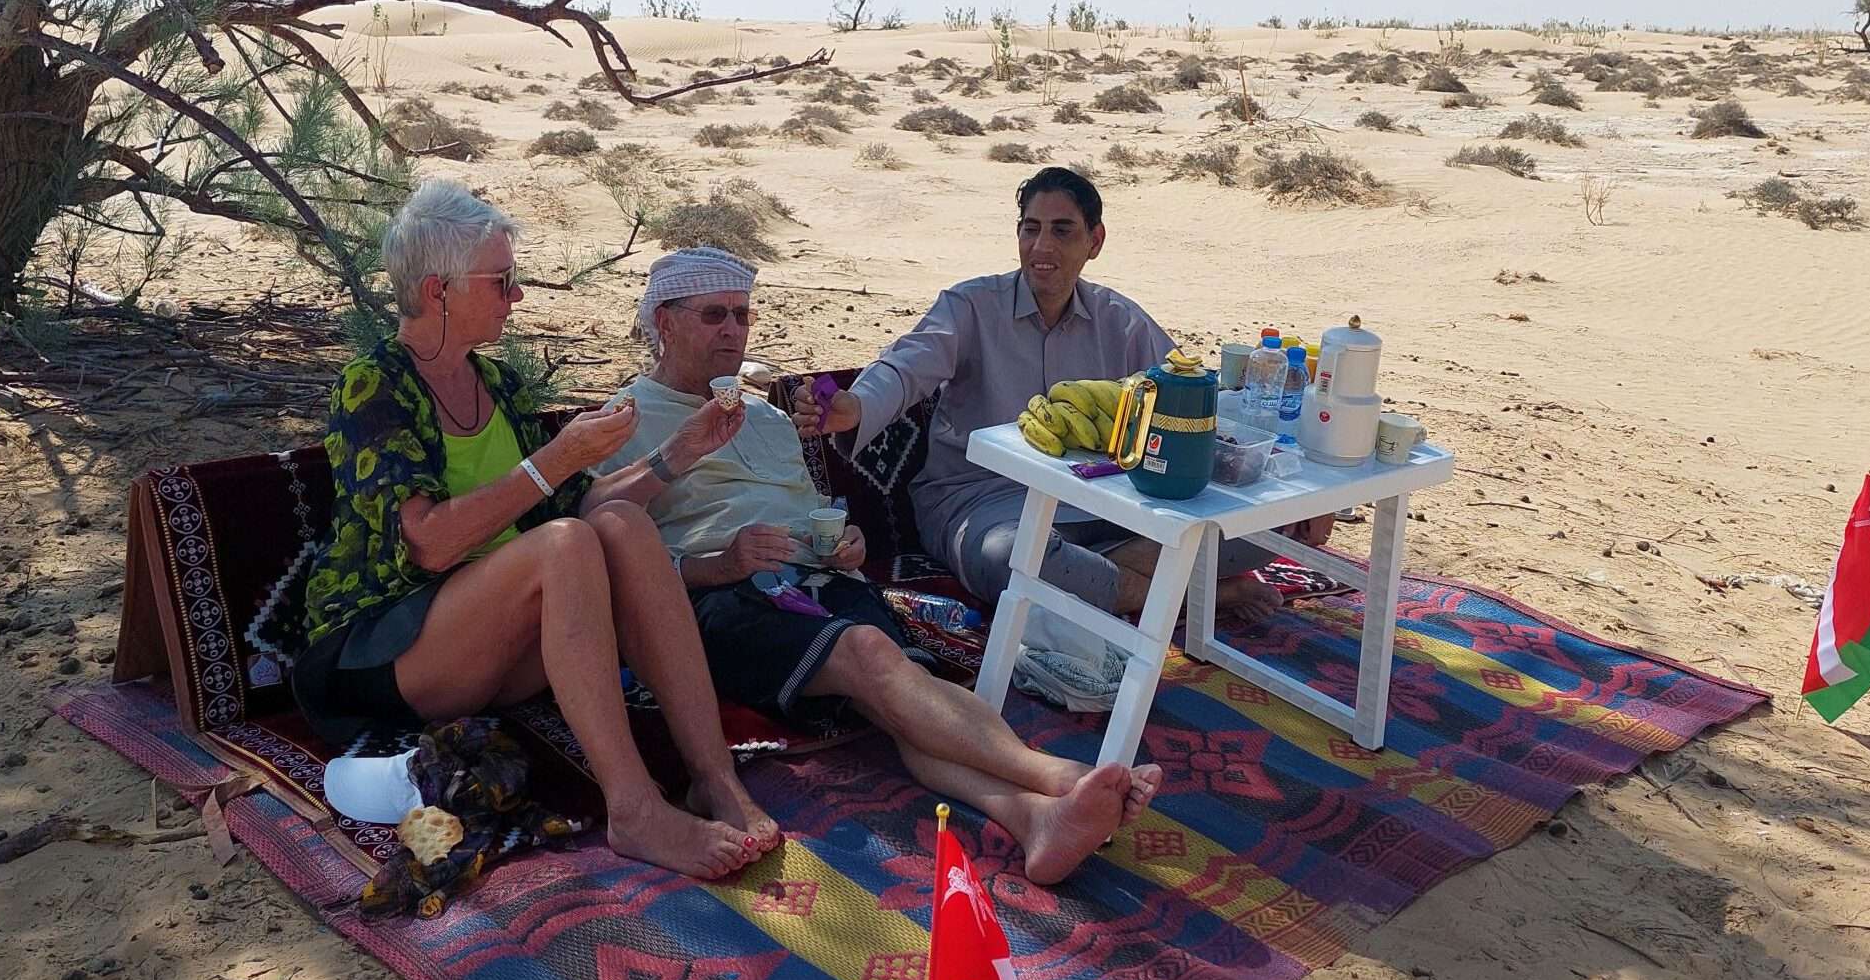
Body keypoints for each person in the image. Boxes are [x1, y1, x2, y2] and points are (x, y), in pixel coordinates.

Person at [592, 247, 1159, 885]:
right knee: (872, 657)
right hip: (723, 600)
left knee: (898, 693)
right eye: (713, 315)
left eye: (742, 315)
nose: (733, 330)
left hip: (822, 579)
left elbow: (809, 509)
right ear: (664, 322)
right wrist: (715, 563)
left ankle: (1035, 820)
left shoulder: (767, 416)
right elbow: (605, 532)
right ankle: (1063, 776)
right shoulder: (625, 419)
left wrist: (846, 540)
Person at [296, 181, 777, 879]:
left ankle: (714, 777)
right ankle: (633, 807)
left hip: (493, 639)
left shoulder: (499, 386)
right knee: (565, 543)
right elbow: (428, 542)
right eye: (500, 280)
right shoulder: (374, 385)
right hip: (391, 647)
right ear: (437, 291)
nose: (516, 295)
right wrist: (553, 460)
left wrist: (679, 452)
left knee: (619, 524)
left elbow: (581, 505)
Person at [792, 166, 1329, 623]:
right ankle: (1200, 596)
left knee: (1266, 531)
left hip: (1101, 502)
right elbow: (905, 366)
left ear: (1095, 241)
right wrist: (855, 406)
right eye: (1031, 229)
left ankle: (1113, 576)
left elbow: (1188, 391)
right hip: (982, 504)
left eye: (1062, 230)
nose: (1042, 247)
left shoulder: (1120, 321)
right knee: (1013, 562)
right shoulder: (970, 306)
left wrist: (1293, 488)